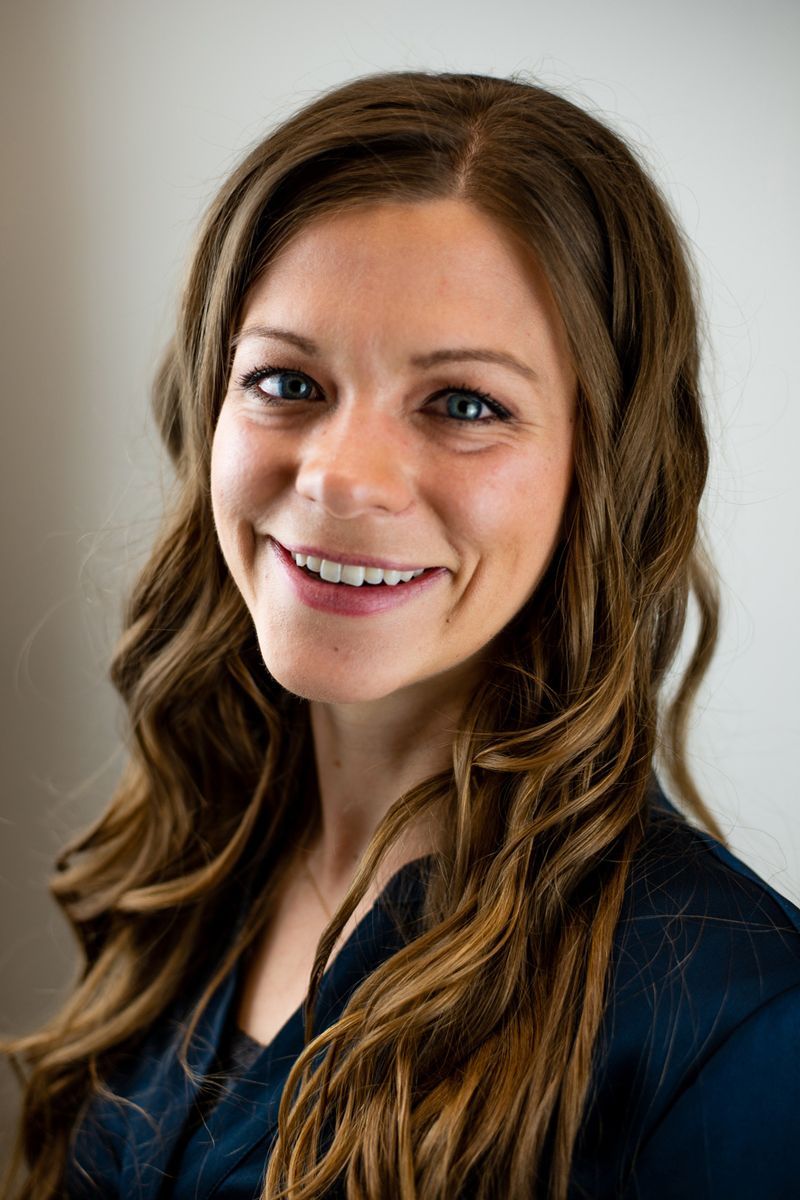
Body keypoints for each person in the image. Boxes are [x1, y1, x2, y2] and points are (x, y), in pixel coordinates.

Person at [4, 70, 799, 1200]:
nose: (338, 476)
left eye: (462, 404)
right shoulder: (193, 861)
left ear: (603, 470)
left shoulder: (734, 1019)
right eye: (286, 379)